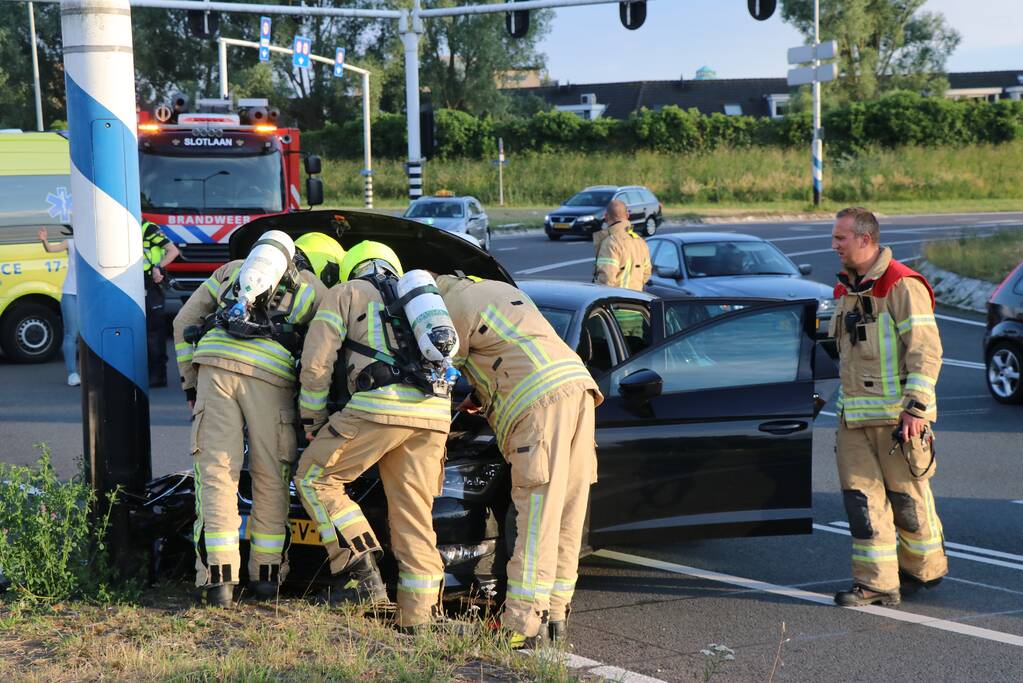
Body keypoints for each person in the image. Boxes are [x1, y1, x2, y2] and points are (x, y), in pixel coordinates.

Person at [435, 274, 602, 647]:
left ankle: (524, 625)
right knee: (566, 513)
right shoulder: (498, 291)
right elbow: (513, 350)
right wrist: (480, 394)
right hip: (580, 390)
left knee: (536, 517)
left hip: (541, 407)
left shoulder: (448, 307)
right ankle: (555, 617)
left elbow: (439, 374)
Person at [294, 241, 452, 631]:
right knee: (413, 512)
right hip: (434, 412)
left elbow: (316, 364)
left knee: (315, 479)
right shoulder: (420, 303)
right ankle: (419, 617)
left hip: (380, 406)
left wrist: (313, 423)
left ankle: (360, 573)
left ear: (351, 268)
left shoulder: (345, 292)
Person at [172, 230, 328, 607]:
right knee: (271, 476)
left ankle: (219, 581)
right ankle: (266, 578)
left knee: (217, 474)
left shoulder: (229, 272)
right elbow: (322, 348)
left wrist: (191, 385)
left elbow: (182, 322)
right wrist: (313, 411)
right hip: (271, 379)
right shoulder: (311, 287)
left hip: (215, 369)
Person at [829, 207, 946, 607]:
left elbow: (926, 352)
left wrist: (915, 409)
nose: (834, 245)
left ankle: (923, 569)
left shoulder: (901, 284)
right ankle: (877, 583)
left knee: (908, 503)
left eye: (841, 238)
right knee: (862, 505)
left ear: (865, 239)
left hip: (898, 420)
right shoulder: (846, 289)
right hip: (854, 420)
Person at [38, 226, 79, 386]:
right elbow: (50, 249)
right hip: (70, 293)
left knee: (90, 335)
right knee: (71, 333)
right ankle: (72, 373)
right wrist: (44, 240)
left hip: (89, 296)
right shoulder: (71, 243)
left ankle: (93, 371)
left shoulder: (95, 246)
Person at [141, 220, 181, 387]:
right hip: (132, 284)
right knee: (141, 332)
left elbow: (173, 251)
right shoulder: (123, 227)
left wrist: (157, 267)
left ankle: (158, 375)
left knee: (154, 332)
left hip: (151, 285)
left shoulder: (148, 228)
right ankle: (145, 372)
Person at [593, 199, 651, 291]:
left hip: (617, 298)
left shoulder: (611, 242)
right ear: (627, 215)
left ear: (606, 216)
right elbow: (646, 274)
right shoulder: (640, 242)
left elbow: (606, 279)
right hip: (637, 297)